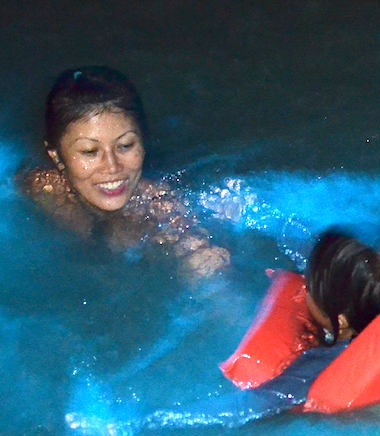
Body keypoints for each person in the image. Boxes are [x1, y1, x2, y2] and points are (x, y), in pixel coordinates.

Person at [65, 226, 380, 435]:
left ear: (341, 320)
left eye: (311, 285)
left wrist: (139, 422)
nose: (303, 286)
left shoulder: (322, 364)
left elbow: (245, 408)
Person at [19, 66, 230, 280]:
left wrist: (202, 270)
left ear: (143, 142)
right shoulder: (39, 188)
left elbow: (204, 266)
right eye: (90, 151)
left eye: (126, 146)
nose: (112, 166)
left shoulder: (160, 210)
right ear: (56, 157)